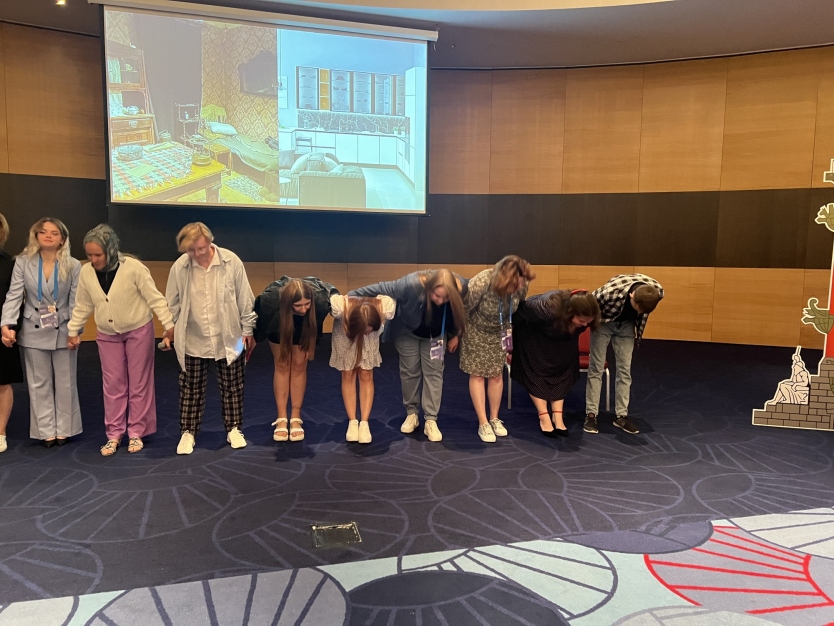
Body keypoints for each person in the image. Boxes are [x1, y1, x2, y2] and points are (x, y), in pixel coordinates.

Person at [67, 225, 174, 456]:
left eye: (98, 254)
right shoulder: (86, 272)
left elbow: (155, 299)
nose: (94, 260)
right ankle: (114, 434)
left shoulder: (134, 268)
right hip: (107, 334)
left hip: (138, 329)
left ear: (111, 250)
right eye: (89, 255)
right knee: (113, 384)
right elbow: (83, 305)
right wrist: (73, 330)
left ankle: (136, 432)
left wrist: (169, 325)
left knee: (139, 383)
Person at [163, 223, 256, 455]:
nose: (196, 254)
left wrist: (248, 329)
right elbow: (172, 302)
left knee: (233, 386)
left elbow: (245, 298)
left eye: (201, 249)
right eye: (191, 250)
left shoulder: (231, 261)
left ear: (210, 242)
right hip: (193, 338)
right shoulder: (180, 267)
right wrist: (170, 328)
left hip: (230, 335)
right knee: (191, 388)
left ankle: (234, 428)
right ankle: (188, 432)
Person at [350, 269, 467, 442]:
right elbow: (377, 288)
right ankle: (412, 413)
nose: (440, 301)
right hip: (407, 332)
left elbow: (455, 311)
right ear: (428, 288)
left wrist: (454, 334)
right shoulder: (409, 285)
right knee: (410, 372)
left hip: (436, 336)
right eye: (436, 296)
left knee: (434, 373)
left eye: (446, 298)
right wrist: (348, 297)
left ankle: (431, 419)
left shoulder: (462, 287)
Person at [0, 217, 81, 447]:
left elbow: (76, 301)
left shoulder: (73, 265)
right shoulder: (23, 262)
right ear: (35, 235)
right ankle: (45, 431)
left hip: (63, 327)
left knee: (66, 382)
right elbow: (14, 295)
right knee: (38, 383)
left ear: (62, 239)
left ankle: (65, 429)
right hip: (32, 328)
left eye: (54, 233)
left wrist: (75, 330)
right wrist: (6, 324)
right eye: (43, 231)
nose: (48, 236)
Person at [254, 276, 338, 442]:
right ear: (288, 303)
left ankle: (295, 416)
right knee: (282, 366)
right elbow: (258, 322)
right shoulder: (270, 302)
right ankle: (281, 418)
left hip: (305, 326)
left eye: (307, 304)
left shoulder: (320, 302)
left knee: (299, 366)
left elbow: (334, 293)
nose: (303, 309)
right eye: (298, 305)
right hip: (279, 323)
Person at [460, 255, 535, 442]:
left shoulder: (522, 283)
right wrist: (455, 334)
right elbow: (463, 308)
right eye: (515, 285)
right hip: (476, 330)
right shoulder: (481, 282)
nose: (519, 288)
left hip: (500, 332)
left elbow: (518, 306)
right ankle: (483, 422)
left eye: (521, 284)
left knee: (496, 374)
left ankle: (494, 418)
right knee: (478, 374)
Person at [512, 290, 600, 437]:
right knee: (537, 373)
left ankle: (557, 416)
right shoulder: (544, 309)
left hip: (564, 338)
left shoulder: (587, 312)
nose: (585, 325)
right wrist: (505, 339)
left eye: (588, 322)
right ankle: (544, 416)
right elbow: (517, 313)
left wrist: (579, 324)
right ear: (570, 313)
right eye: (581, 321)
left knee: (562, 371)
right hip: (533, 336)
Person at [584, 273, 664, 435]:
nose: (640, 312)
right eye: (637, 308)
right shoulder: (609, 293)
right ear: (631, 296)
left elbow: (644, 306)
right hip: (603, 324)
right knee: (596, 368)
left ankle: (621, 416)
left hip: (626, 326)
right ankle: (591, 415)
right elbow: (589, 304)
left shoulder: (658, 292)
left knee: (624, 371)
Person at [329, 294, 395, 444]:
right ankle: (352, 422)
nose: (366, 332)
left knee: (366, 375)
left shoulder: (383, 307)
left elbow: (388, 298)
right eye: (364, 330)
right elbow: (333, 298)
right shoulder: (340, 308)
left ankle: (364, 423)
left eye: (370, 330)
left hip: (370, 342)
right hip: (345, 336)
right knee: (348, 374)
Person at [0, 215, 24, 453]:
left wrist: (12, 327)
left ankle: (0, 432)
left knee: (3, 382)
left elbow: (16, 299)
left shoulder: (11, 263)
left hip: (3, 331)